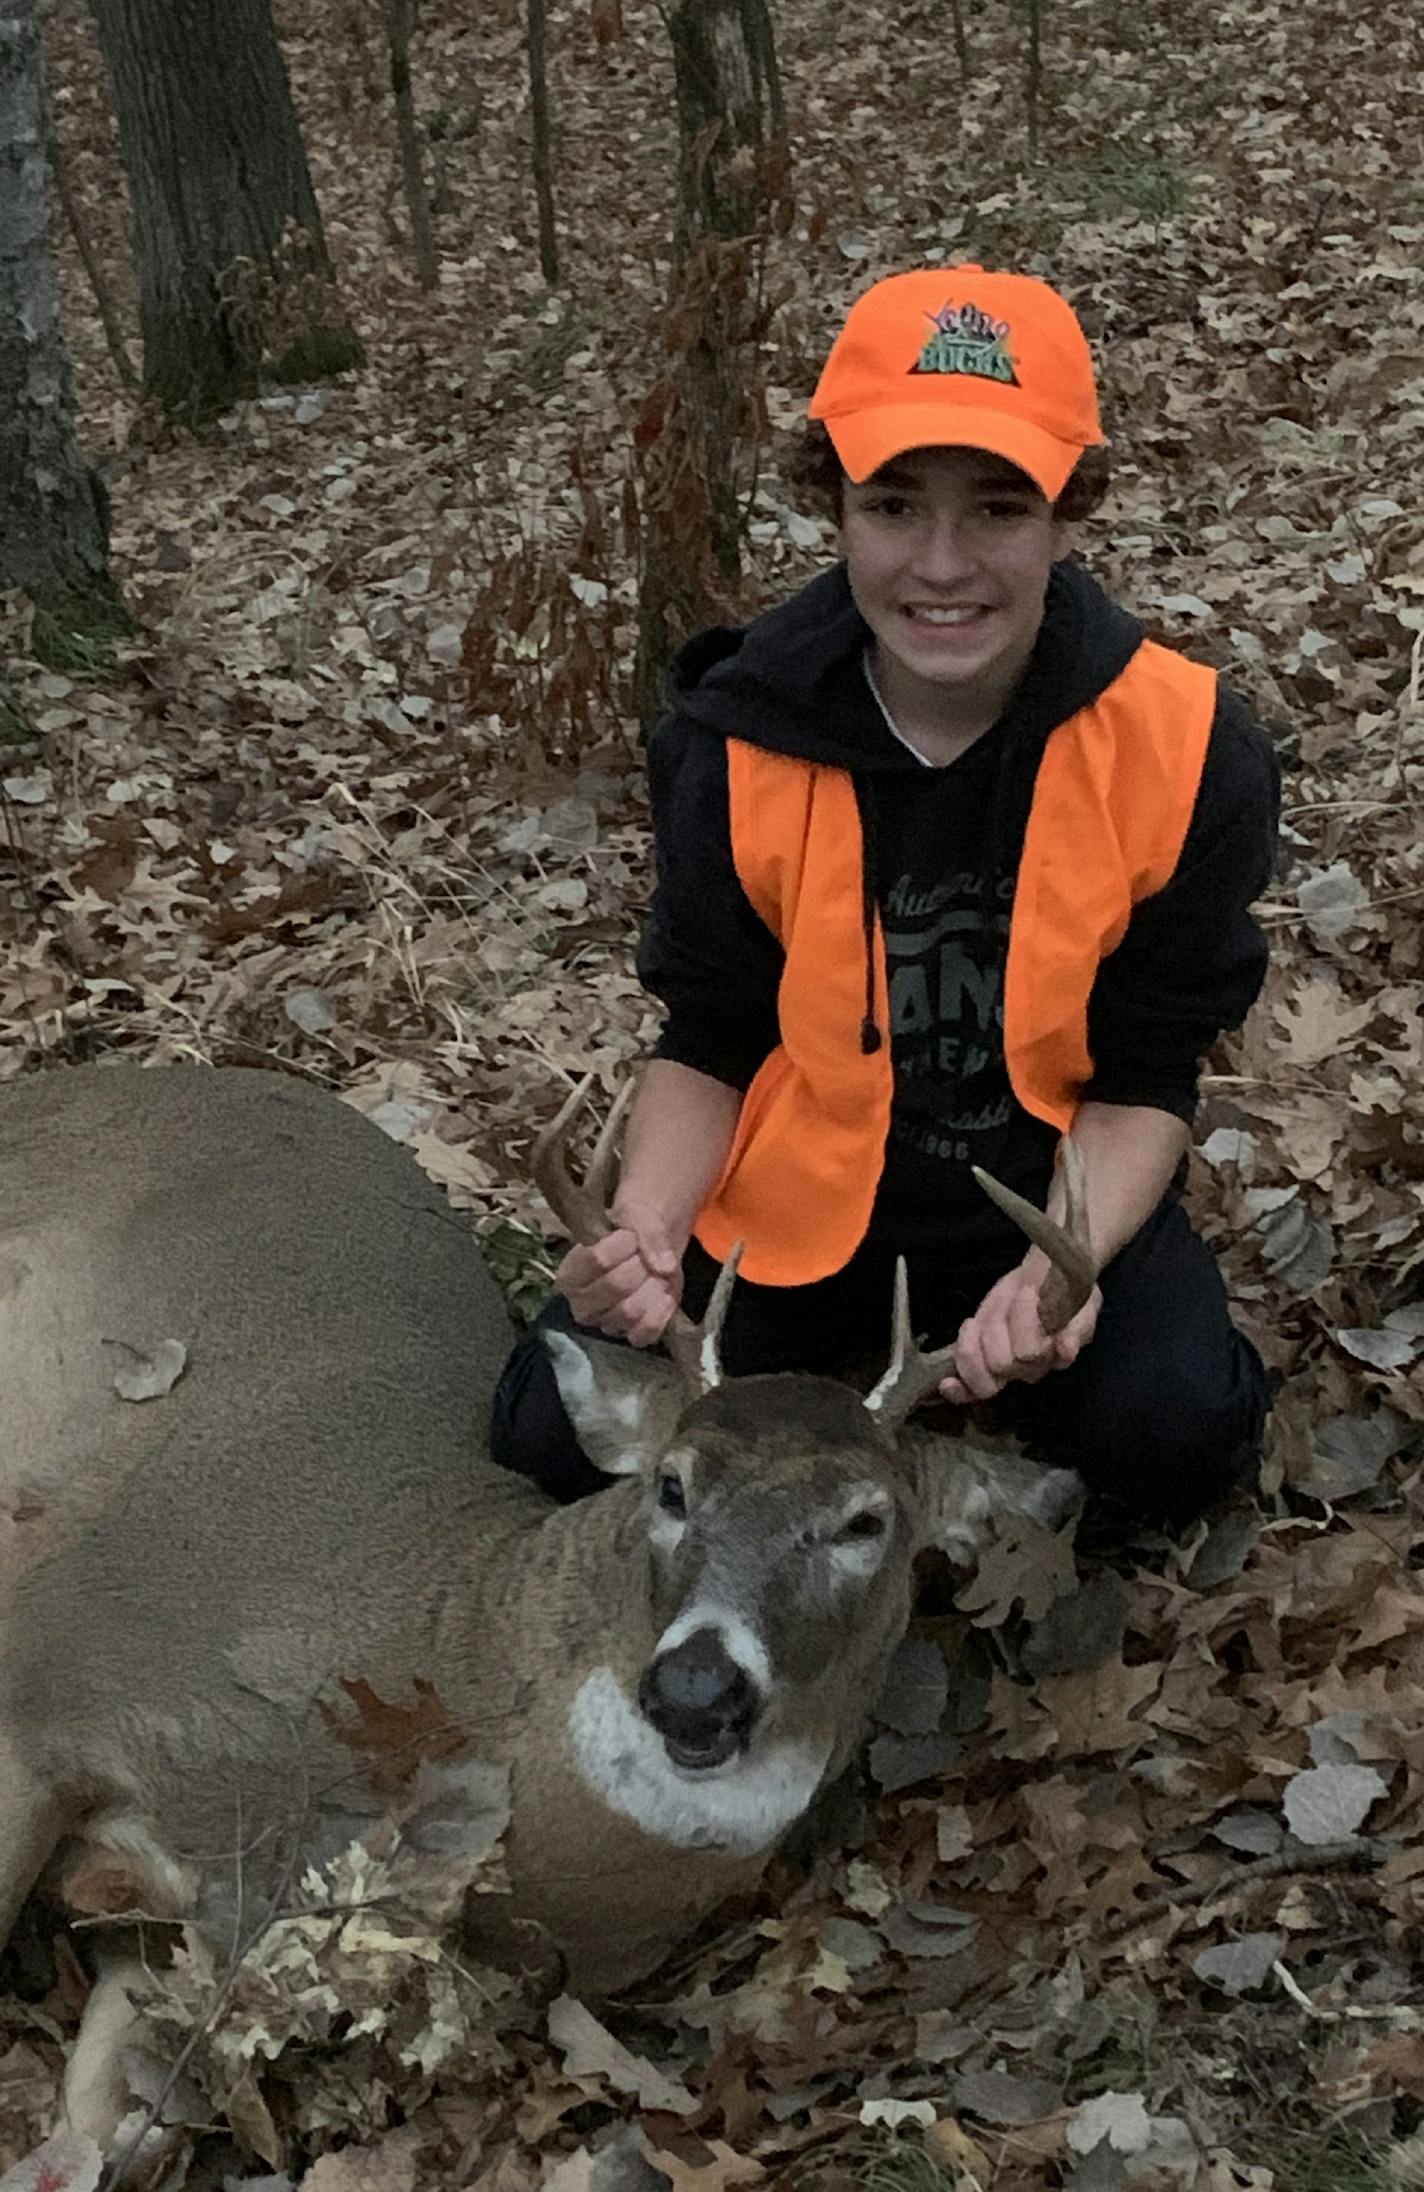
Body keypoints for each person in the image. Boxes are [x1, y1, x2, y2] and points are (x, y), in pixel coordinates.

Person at [491, 264, 1279, 1527]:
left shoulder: (1185, 748)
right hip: (794, 1215)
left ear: (1068, 514)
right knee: (550, 1426)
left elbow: (1146, 1073)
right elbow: (709, 1026)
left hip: (1040, 1195)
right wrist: (643, 1232)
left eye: (1000, 507)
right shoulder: (733, 737)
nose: (942, 565)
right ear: (834, 507)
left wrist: (1049, 1276)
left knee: (1173, 1435)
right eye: (893, 504)